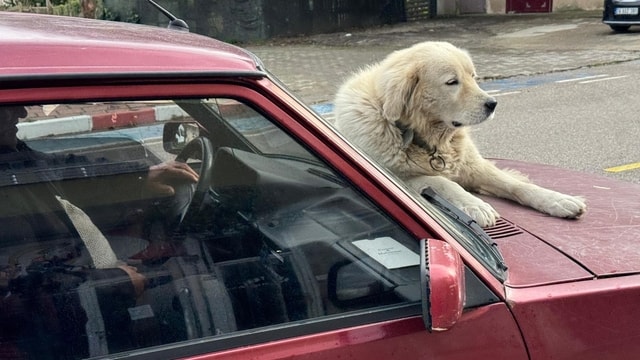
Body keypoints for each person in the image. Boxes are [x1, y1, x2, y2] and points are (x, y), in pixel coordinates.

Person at [0, 105, 200, 358]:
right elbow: (19, 284)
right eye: (3, 107)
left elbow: (56, 171)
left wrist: (139, 177)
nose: (21, 113)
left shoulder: (10, 157)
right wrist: (116, 283)